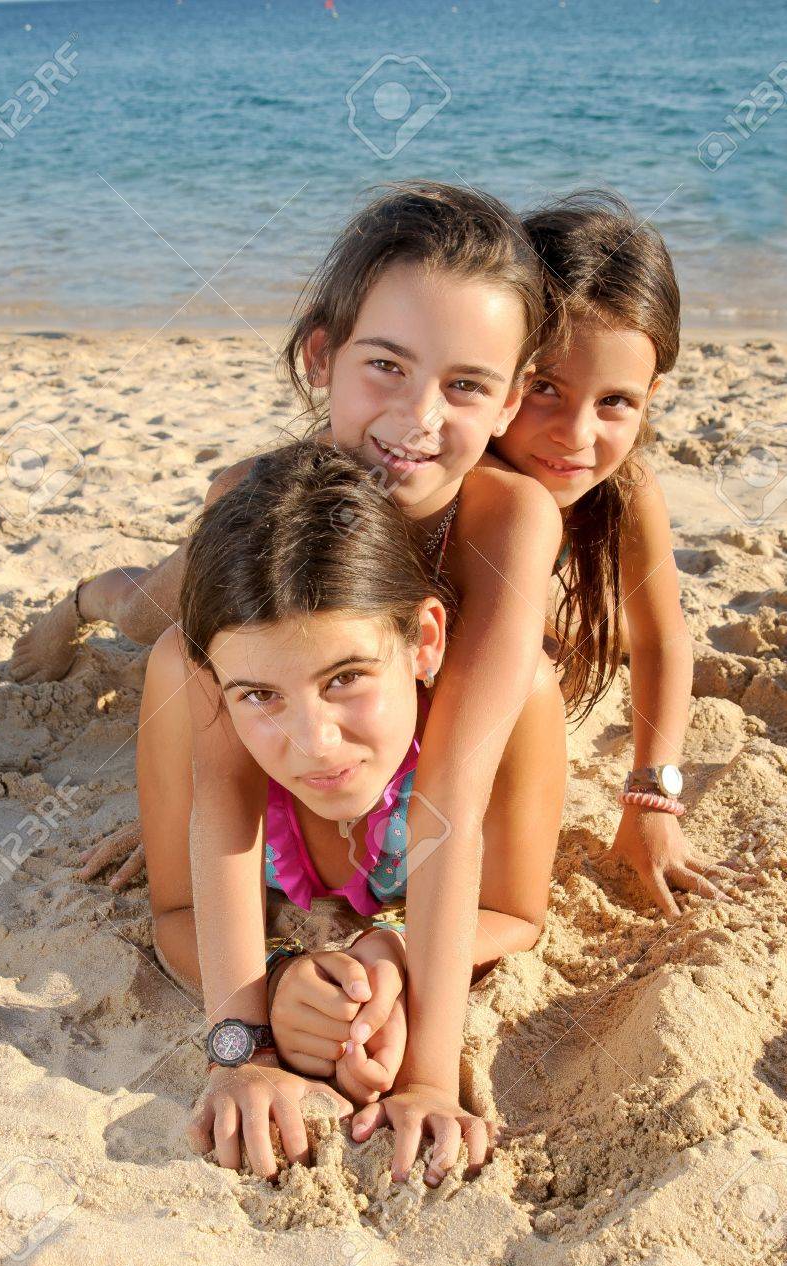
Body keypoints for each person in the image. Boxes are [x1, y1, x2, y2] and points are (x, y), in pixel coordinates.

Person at [71, 181, 566, 1181]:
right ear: (319, 357)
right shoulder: (238, 517)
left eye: (466, 386)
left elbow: (449, 796)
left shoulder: (507, 524)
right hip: (248, 577)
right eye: (383, 364)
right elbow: (218, 804)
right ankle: (75, 598)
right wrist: (241, 1043)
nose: (416, 417)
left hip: (359, 733)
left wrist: (427, 1067)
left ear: (512, 400)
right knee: (148, 628)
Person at [493, 191, 738, 917]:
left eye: (614, 402)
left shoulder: (625, 486)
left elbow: (663, 637)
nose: (574, 433)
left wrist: (650, 799)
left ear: (651, 396)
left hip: (521, 601)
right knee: (141, 600)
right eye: (543, 388)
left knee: (590, 630)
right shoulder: (445, 475)